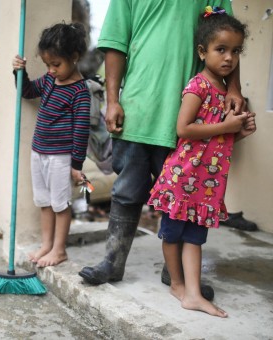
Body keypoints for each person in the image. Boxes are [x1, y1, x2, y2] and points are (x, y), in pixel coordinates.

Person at [78, 1, 245, 296]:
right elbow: (116, 43)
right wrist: (113, 100)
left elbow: (227, 37)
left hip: (192, 116)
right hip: (140, 108)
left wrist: (233, 89)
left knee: (184, 195)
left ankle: (175, 275)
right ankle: (112, 262)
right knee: (127, 192)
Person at [147, 9, 255, 317]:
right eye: (221, 49)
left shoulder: (228, 94)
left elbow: (218, 141)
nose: (228, 58)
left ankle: (192, 293)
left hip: (206, 186)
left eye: (235, 51)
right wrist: (225, 127)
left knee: (195, 238)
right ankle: (177, 284)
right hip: (183, 178)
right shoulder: (199, 86)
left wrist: (241, 132)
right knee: (172, 233)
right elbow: (184, 130)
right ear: (202, 52)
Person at [12, 22, 91, 267]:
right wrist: (19, 72)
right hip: (39, 152)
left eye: (56, 64)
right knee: (44, 202)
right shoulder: (48, 80)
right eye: (48, 65)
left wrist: (76, 165)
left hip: (60, 158)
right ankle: (46, 244)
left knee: (60, 204)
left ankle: (59, 250)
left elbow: (81, 131)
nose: (52, 70)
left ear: (74, 57)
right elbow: (26, 91)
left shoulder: (80, 92)